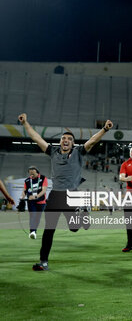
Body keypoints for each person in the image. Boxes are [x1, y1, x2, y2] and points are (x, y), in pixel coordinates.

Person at [19, 113, 113, 271]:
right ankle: (43, 262)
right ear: (60, 141)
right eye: (63, 138)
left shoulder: (78, 152)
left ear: (73, 143)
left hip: (72, 195)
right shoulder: (52, 152)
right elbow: (36, 138)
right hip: (55, 195)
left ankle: (83, 213)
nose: (66, 140)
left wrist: (104, 129)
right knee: (49, 230)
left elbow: (92, 141)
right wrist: (25, 123)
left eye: (69, 139)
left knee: (74, 228)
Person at [20, 167, 48, 239]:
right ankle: (32, 232)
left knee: (37, 218)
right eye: (30, 174)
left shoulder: (43, 178)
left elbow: (44, 190)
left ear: (37, 173)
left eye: (33, 174)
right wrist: (22, 196)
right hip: (31, 202)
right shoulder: (27, 180)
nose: (31, 175)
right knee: (33, 216)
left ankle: (34, 231)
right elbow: (24, 190)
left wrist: (35, 196)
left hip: (41, 202)